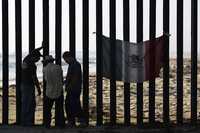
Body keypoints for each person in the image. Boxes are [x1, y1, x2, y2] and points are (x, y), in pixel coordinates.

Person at [20, 46, 43, 126]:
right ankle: (26, 122)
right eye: (38, 58)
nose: (39, 60)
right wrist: (38, 88)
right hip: (29, 86)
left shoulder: (25, 60)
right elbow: (34, 78)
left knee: (25, 103)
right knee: (29, 104)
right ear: (34, 57)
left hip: (23, 84)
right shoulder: (32, 65)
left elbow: (33, 51)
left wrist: (41, 47)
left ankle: (24, 121)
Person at [63, 51, 86, 127]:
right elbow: (71, 77)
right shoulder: (73, 64)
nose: (65, 61)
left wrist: (69, 86)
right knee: (71, 104)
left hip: (73, 88)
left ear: (69, 57)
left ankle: (78, 120)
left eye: (66, 59)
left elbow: (75, 78)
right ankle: (73, 121)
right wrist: (65, 82)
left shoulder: (75, 65)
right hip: (74, 88)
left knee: (73, 104)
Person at [42, 55, 65, 128]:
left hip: (49, 90)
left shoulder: (44, 69)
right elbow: (61, 78)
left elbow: (45, 80)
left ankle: (47, 124)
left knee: (48, 109)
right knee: (60, 108)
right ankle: (60, 124)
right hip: (58, 90)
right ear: (52, 61)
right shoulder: (58, 67)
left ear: (46, 62)